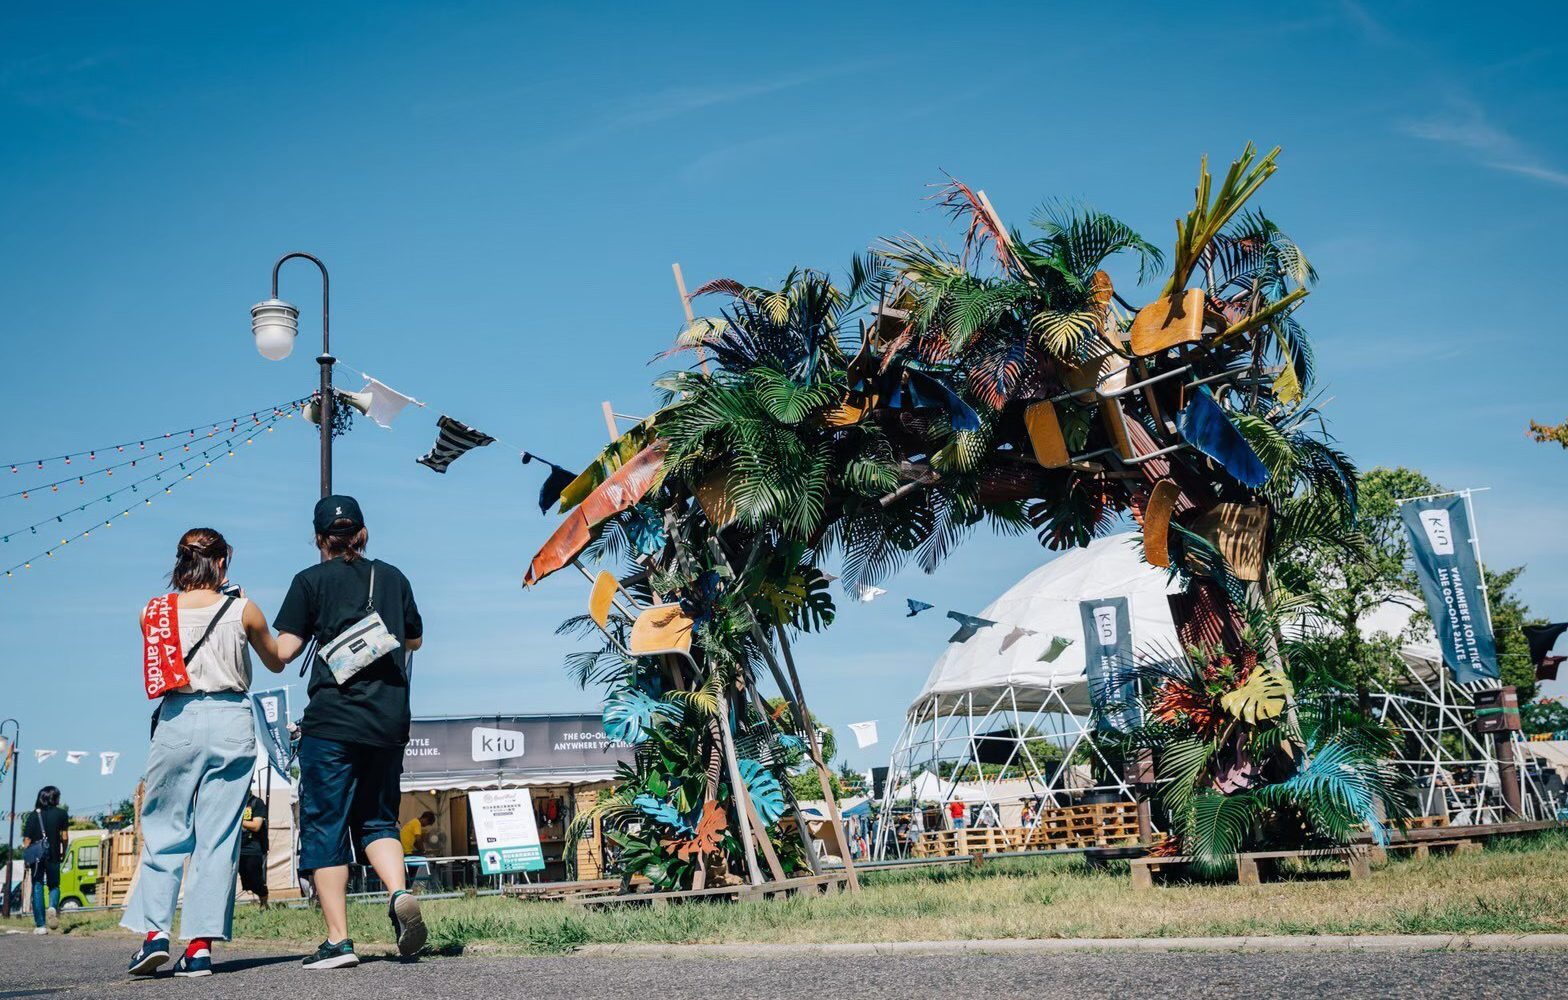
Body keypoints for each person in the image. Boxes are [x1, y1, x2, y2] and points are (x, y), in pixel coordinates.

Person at [124, 528, 286, 978]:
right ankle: (198, 948)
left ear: (180, 563)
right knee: (218, 837)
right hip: (232, 718)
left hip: (178, 717)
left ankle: (154, 935)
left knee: (164, 828)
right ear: (221, 563)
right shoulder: (242, 609)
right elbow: (275, 660)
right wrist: (241, 602)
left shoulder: (151, 612)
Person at [274, 496, 425, 970]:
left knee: (326, 826)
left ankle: (339, 942)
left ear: (320, 539)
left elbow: (283, 651)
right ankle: (399, 892)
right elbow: (415, 638)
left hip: (332, 723)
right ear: (363, 534)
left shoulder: (310, 582)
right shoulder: (394, 577)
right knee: (379, 820)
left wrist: (252, 628)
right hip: (387, 722)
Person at [21, 786, 68, 934]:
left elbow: (27, 840)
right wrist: (63, 852)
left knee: (37, 885)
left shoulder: (33, 816)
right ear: (54, 798)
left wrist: (26, 858)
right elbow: (65, 837)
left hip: (36, 856)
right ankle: (53, 906)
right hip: (53, 854)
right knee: (54, 885)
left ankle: (40, 925)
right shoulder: (61, 814)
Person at [238, 789, 270, 910]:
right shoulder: (235, 804)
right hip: (239, 848)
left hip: (253, 847)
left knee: (256, 878)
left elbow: (256, 826)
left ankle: (264, 902)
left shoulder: (257, 803)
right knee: (246, 881)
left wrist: (238, 820)